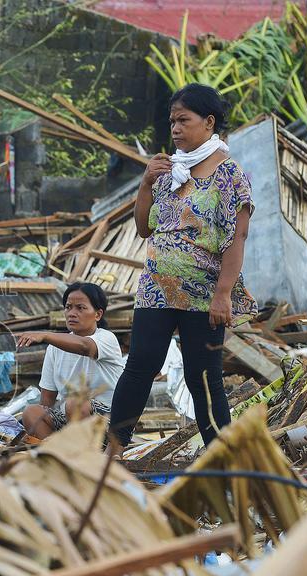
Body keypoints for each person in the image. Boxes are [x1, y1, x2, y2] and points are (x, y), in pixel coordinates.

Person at [109, 83, 257, 451]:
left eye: (183, 120)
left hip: (204, 294)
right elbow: (144, 228)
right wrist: (146, 184)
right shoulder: (169, 170)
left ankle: (220, 459)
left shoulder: (229, 175)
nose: (174, 128)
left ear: (208, 122)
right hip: (156, 288)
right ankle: (111, 452)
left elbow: (236, 239)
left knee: (202, 377)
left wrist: (223, 294)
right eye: (172, 121)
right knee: (140, 367)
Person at [19, 282, 125, 438]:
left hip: (110, 423)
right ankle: (57, 455)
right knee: (31, 412)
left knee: (76, 403)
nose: (72, 313)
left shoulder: (106, 338)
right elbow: (47, 398)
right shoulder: (54, 348)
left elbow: (85, 347)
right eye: (68, 307)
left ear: (98, 314)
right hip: (71, 423)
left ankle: (79, 455)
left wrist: (45, 335)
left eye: (80, 308)